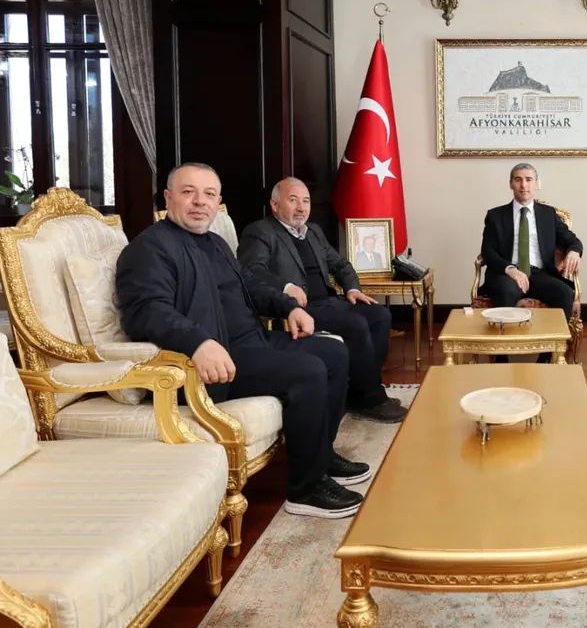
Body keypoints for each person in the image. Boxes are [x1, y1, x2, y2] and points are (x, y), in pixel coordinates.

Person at [116, 163, 371, 519]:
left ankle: (320, 456)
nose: (200, 202)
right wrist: (198, 343)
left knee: (334, 351)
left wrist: (287, 307)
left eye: (209, 194)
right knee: (308, 370)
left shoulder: (216, 243)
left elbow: (248, 287)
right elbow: (147, 310)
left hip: (253, 340)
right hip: (216, 361)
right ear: (168, 197)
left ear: (218, 201)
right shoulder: (149, 249)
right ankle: (306, 490)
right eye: (189, 192)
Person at [237, 177, 405, 422]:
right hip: (299, 307)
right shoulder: (260, 231)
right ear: (275, 205)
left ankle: (359, 389)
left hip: (331, 301)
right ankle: (371, 398)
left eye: (305, 201)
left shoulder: (313, 231)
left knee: (380, 315)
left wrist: (352, 288)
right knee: (355, 324)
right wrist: (286, 287)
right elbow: (252, 270)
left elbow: (340, 264)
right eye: (293, 200)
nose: (301, 207)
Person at [480, 162, 582, 320]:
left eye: (528, 179)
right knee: (507, 291)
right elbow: (488, 252)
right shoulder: (496, 216)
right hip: (506, 274)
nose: (523, 185)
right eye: (518, 179)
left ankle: (554, 336)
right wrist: (510, 270)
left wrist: (574, 251)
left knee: (564, 293)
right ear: (511, 184)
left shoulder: (548, 214)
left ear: (537, 184)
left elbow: (572, 240)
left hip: (539, 273)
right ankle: (508, 336)